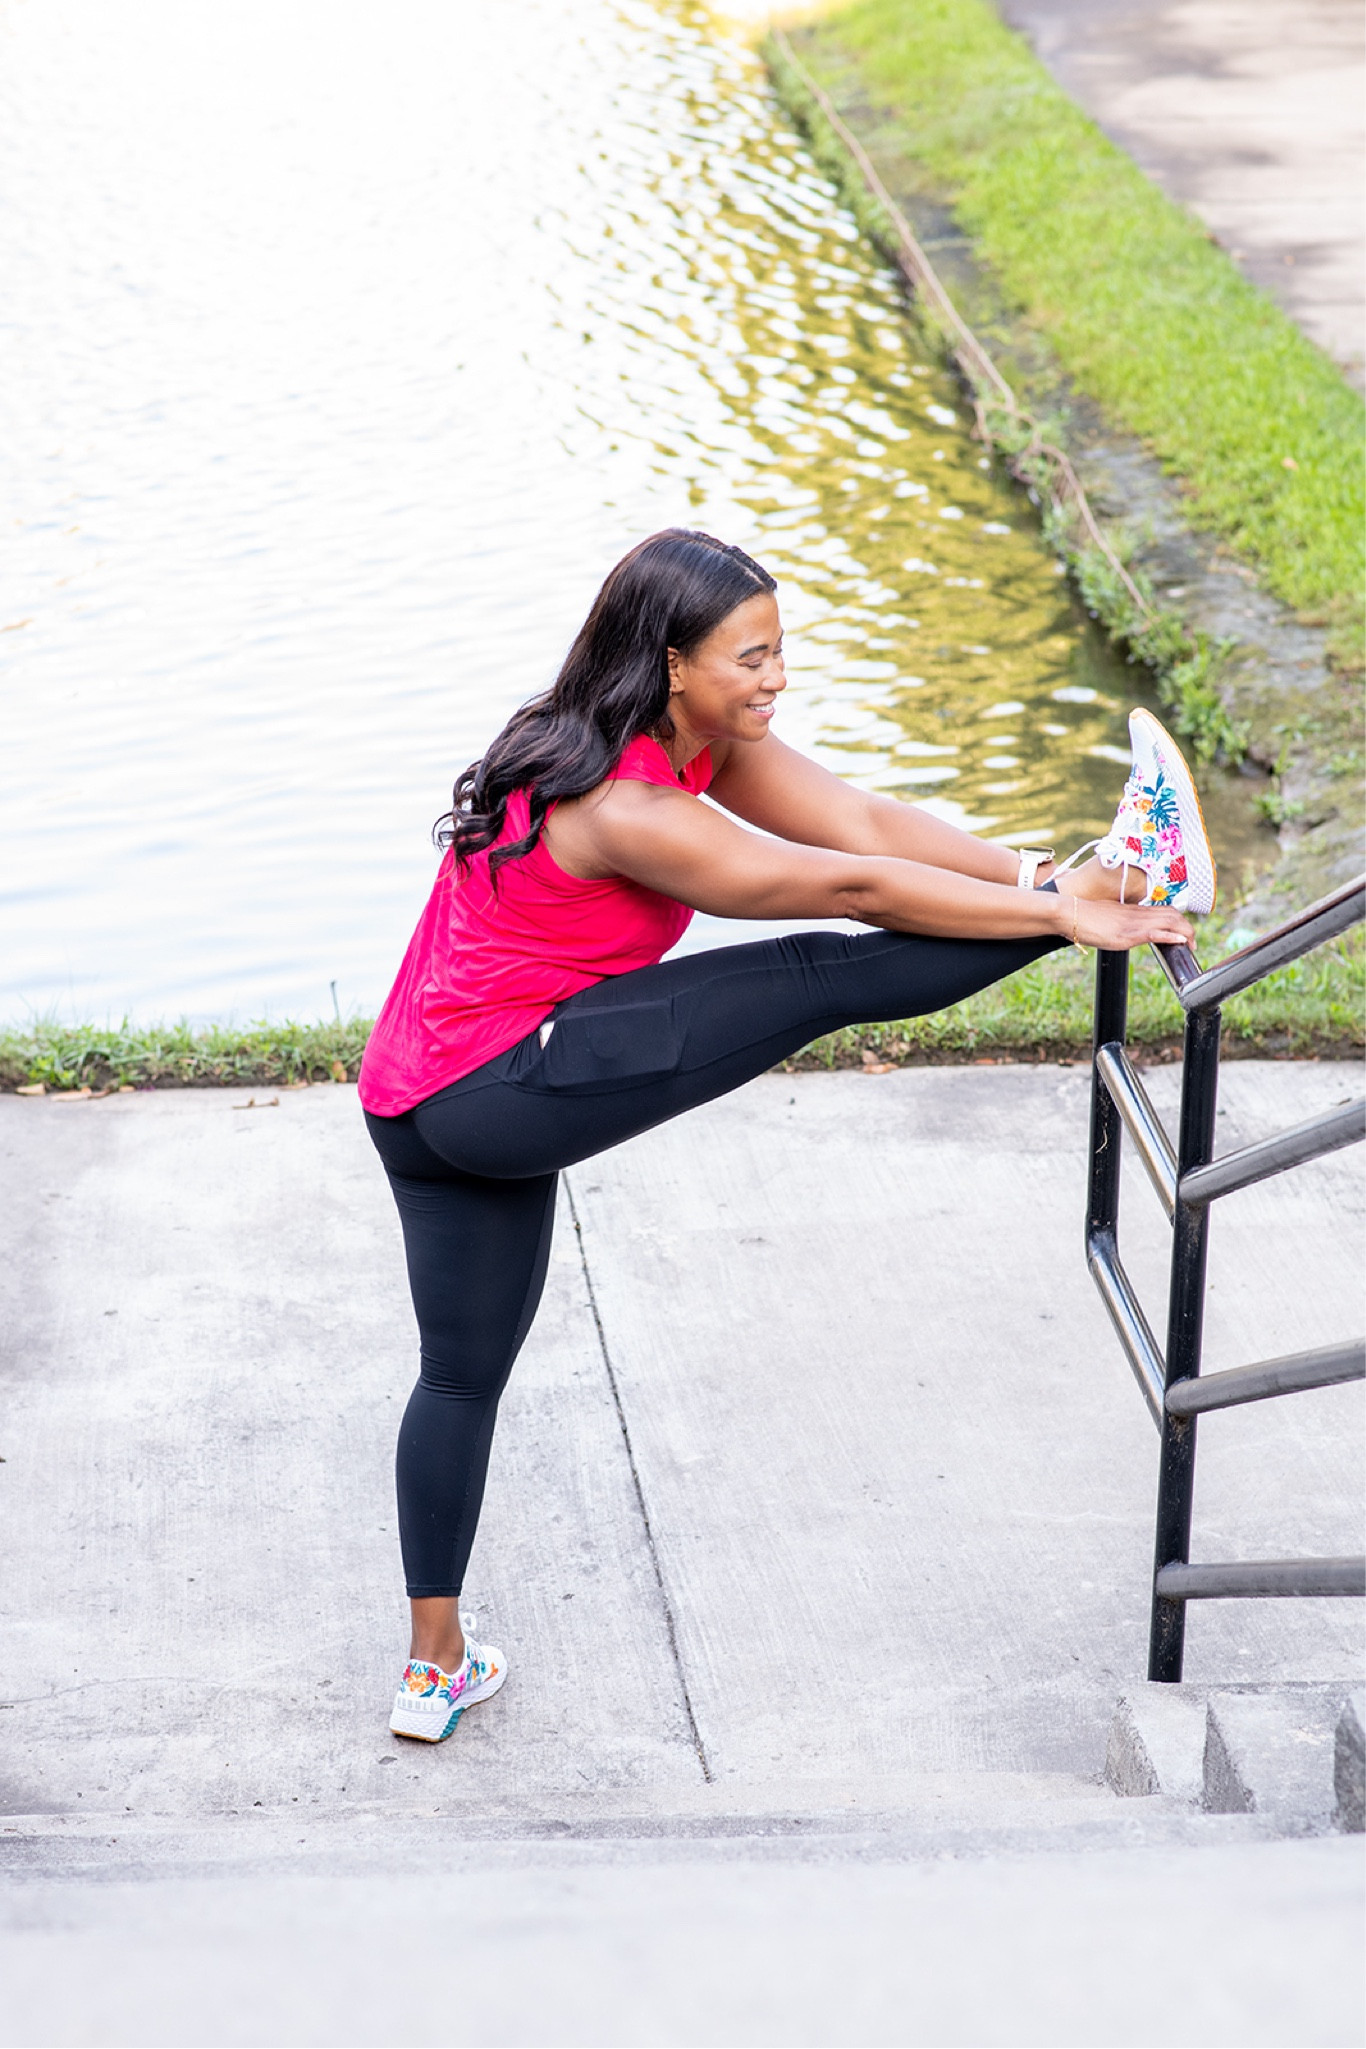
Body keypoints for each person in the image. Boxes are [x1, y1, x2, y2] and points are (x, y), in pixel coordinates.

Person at [359, 527, 1214, 1743]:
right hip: (499, 1086)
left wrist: (1037, 867)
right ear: (670, 663)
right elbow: (850, 892)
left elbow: (861, 823)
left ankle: (432, 1669)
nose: (774, 679)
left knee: (458, 1376)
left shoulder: (601, 732)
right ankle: (1122, 887)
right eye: (749, 658)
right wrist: (1067, 914)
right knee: (819, 969)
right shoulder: (629, 805)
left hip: (412, 1095)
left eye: (779, 651)